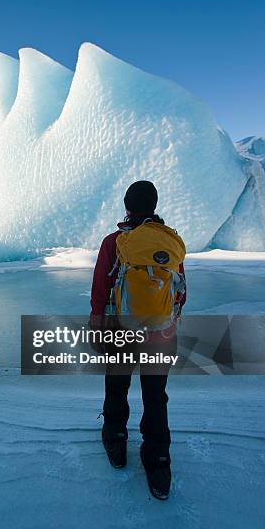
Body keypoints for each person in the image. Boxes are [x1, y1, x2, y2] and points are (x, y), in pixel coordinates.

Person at [90, 180, 186, 500]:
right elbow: (180, 291)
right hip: (161, 333)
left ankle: (115, 438)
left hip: (121, 330)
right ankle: (158, 461)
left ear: (127, 207)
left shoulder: (115, 242)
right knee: (156, 395)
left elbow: (100, 291)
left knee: (117, 385)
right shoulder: (169, 243)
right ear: (154, 206)